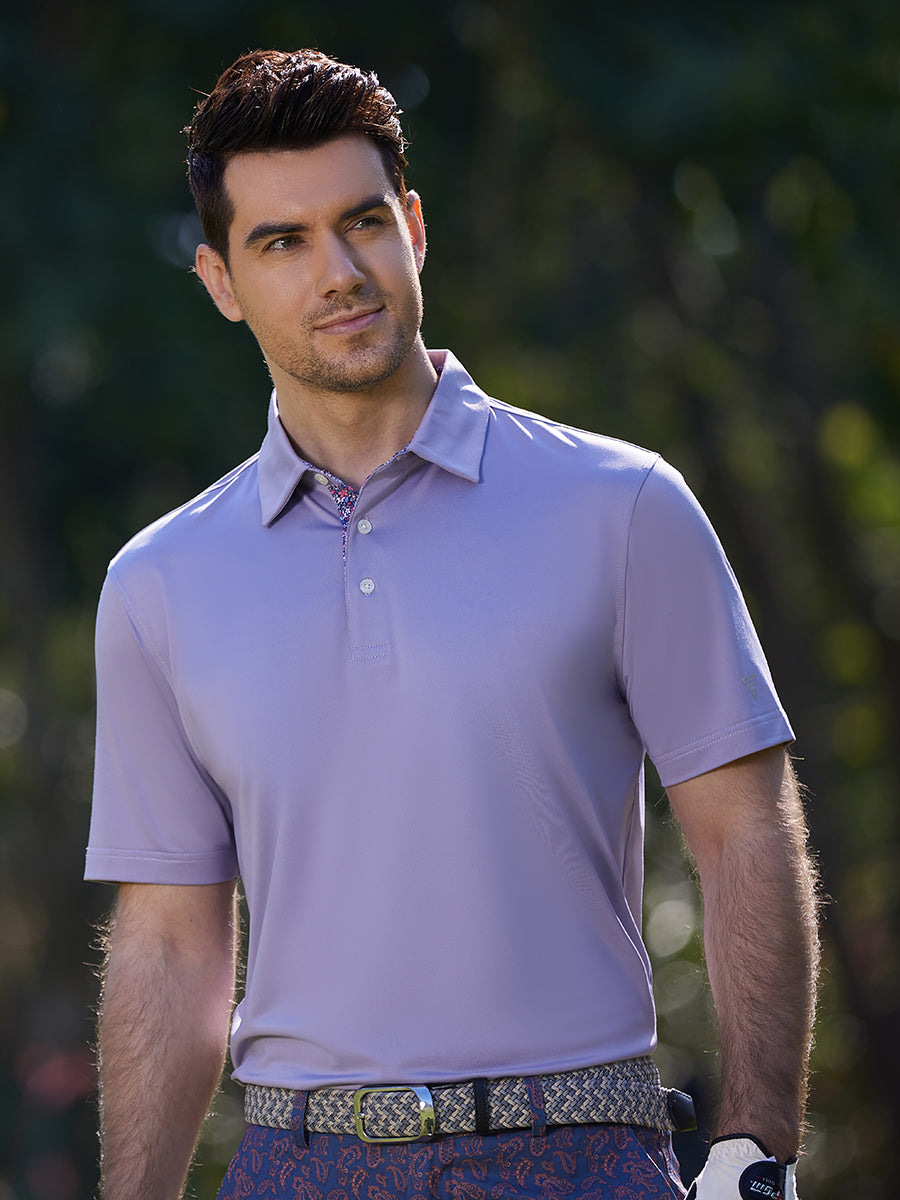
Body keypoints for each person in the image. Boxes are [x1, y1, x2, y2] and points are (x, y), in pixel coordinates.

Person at [86, 48, 819, 1200]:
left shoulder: (623, 507)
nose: (339, 273)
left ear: (414, 228)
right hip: (296, 1166)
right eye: (281, 243)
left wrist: (756, 1146)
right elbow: (170, 947)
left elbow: (744, 833)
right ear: (221, 281)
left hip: (582, 1150)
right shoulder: (157, 585)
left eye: (362, 222)